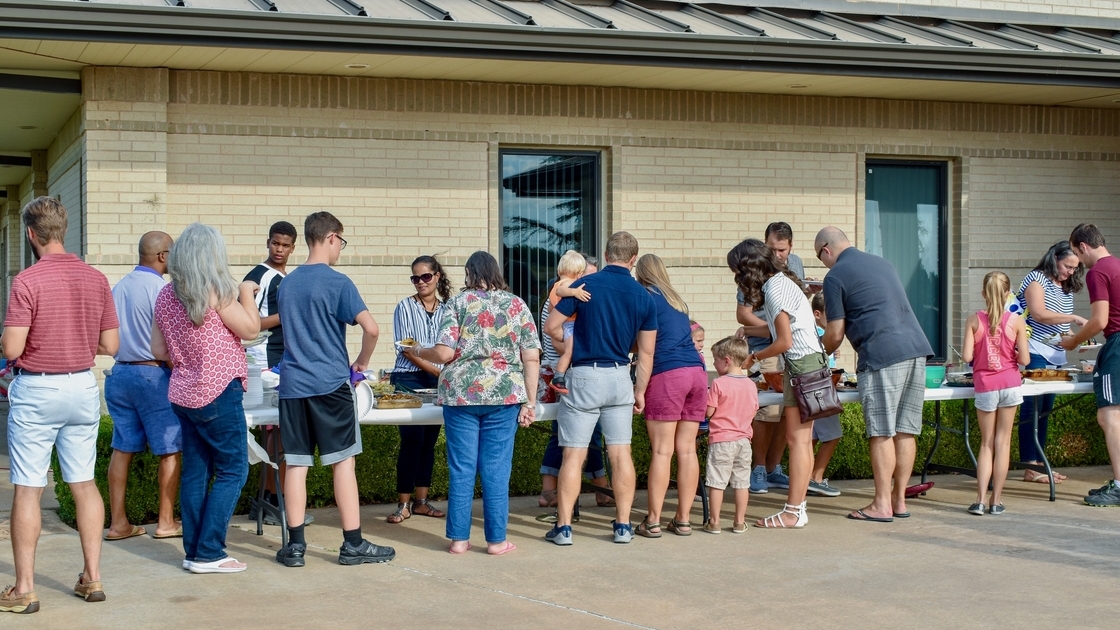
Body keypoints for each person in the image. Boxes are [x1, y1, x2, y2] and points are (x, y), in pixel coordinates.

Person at [1, 197, 119, 613]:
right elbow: (110, 345)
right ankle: (92, 577)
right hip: (82, 387)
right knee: (83, 483)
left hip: (38, 389)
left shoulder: (26, 282)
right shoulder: (96, 278)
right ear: (62, 230)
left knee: (29, 488)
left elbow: (13, 346)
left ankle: (25, 588)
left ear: (31, 234)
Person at [273, 211, 394, 567]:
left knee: (296, 465)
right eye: (341, 241)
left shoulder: (287, 284)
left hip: (293, 385)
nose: (340, 248)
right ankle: (353, 544)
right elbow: (371, 329)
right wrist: (360, 361)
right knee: (343, 463)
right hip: (329, 384)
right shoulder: (338, 282)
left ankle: (295, 547)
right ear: (330, 237)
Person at [405, 251, 540, 555]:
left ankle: (459, 540)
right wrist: (529, 402)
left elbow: (442, 353)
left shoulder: (456, 303)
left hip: (460, 393)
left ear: (469, 274)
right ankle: (496, 541)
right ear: (495, 272)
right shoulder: (516, 304)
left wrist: (418, 351)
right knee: (496, 468)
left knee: (462, 467)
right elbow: (531, 356)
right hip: (504, 394)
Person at [151, 223, 258, 574]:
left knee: (196, 471)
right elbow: (251, 329)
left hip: (183, 392)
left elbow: (156, 349)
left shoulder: (165, 295)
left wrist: (188, 354)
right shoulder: (218, 290)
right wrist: (246, 292)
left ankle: (194, 551)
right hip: (218, 391)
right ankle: (210, 551)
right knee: (233, 470)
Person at [543, 231, 657, 545]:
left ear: (606, 255)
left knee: (573, 456)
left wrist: (570, 348)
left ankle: (564, 528)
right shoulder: (643, 296)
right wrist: (640, 390)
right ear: (633, 259)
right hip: (620, 375)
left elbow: (551, 326)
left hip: (583, 375)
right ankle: (622, 526)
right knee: (621, 454)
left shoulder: (583, 285)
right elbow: (646, 352)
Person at [815, 226, 933, 523]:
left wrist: (813, 352)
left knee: (881, 431)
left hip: (882, 353)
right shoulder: (882, 262)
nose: (823, 263)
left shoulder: (835, 276)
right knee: (906, 430)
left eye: (820, 257)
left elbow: (835, 334)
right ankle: (899, 501)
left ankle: (881, 505)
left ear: (826, 250)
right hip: (917, 349)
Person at [727, 238, 823, 528]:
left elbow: (784, 340)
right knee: (802, 442)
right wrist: (748, 328)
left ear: (748, 268)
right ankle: (798, 509)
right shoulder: (780, 282)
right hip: (810, 363)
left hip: (802, 365)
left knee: (797, 442)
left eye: (737, 271)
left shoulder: (775, 290)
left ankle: (793, 511)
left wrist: (753, 358)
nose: (737, 278)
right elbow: (781, 327)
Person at [104, 231, 182, 542]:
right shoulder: (162, 290)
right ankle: (165, 522)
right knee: (170, 449)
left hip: (120, 374)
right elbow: (171, 340)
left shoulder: (118, 287)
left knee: (122, 449)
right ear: (163, 256)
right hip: (153, 375)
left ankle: (118, 523)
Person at [632, 254, 707, 537]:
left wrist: (639, 389)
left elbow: (645, 347)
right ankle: (683, 519)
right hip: (696, 373)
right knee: (687, 450)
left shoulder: (646, 298)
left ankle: (652, 521)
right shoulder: (677, 301)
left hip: (668, 374)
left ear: (641, 274)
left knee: (663, 451)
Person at [243, 220, 308, 526]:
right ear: (267, 242)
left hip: (282, 362)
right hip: (264, 364)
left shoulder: (286, 277)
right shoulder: (260, 275)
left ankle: (268, 502)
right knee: (277, 436)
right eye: (275, 244)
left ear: (294, 247)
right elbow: (249, 322)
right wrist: (289, 315)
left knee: (277, 435)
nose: (279, 250)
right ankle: (274, 504)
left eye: (285, 245)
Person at [536, 255, 611, 510]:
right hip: (566, 370)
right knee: (568, 433)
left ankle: (598, 487)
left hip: (568, 367)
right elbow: (554, 332)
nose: (586, 283)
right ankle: (558, 491)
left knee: (580, 431)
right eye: (584, 276)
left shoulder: (566, 294)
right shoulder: (565, 294)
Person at [736, 222, 806, 495]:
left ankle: (775, 469)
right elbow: (743, 314)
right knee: (768, 411)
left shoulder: (796, 264)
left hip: (790, 346)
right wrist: (772, 329)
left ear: (791, 248)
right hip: (765, 346)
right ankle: (758, 469)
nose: (777, 255)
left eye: (782, 250)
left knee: (788, 411)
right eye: (772, 249)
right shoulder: (755, 267)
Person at [386, 255, 452, 524]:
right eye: (415, 277)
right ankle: (403, 504)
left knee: (429, 443)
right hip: (409, 379)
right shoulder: (404, 306)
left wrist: (441, 372)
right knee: (411, 442)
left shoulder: (448, 309)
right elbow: (407, 348)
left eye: (425, 276)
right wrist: (440, 373)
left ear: (437, 276)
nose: (420, 282)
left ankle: (422, 502)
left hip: (436, 379)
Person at [1016, 241, 1085, 483]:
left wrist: (1075, 339)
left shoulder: (1064, 286)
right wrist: (1074, 317)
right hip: (1035, 351)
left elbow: (1060, 325)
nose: (1071, 272)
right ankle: (1029, 465)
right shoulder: (1037, 279)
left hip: (1056, 355)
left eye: (1075, 268)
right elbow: (1039, 314)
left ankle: (1040, 463)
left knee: (1045, 411)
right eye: (1068, 266)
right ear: (1054, 258)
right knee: (1032, 408)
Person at [1061, 224, 1120, 507]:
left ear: (1083, 246)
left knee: (1110, 417)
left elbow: (1100, 321)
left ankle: (1119, 486)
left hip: (1117, 346)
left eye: (1076, 253)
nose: (1078, 262)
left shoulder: (1099, 271)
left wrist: (1073, 342)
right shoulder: (1118, 266)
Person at [962, 271, 1030, 515]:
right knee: (1003, 443)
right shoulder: (1017, 321)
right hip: (1010, 383)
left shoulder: (973, 320)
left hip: (986, 386)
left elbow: (968, 357)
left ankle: (979, 499)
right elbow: (1025, 359)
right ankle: (996, 501)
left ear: (983, 293)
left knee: (986, 444)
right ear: (1007, 293)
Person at [702, 337, 759, 534]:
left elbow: (709, 412)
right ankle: (739, 521)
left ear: (726, 360)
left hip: (721, 440)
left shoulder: (718, 383)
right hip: (744, 441)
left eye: (716, 360)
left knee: (717, 482)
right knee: (742, 482)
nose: (714, 364)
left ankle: (714, 521)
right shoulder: (751, 385)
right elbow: (753, 411)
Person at [807, 291, 843, 498]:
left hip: (814, 385)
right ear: (817, 314)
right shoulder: (815, 334)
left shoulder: (818, 332)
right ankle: (816, 478)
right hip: (819, 387)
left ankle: (806, 477)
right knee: (832, 435)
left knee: (811, 436)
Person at [547, 250, 592, 394]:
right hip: (571, 324)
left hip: (565, 324)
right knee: (569, 351)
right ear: (578, 272)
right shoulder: (568, 284)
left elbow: (550, 309)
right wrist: (575, 292)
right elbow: (561, 291)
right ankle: (558, 377)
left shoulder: (554, 285)